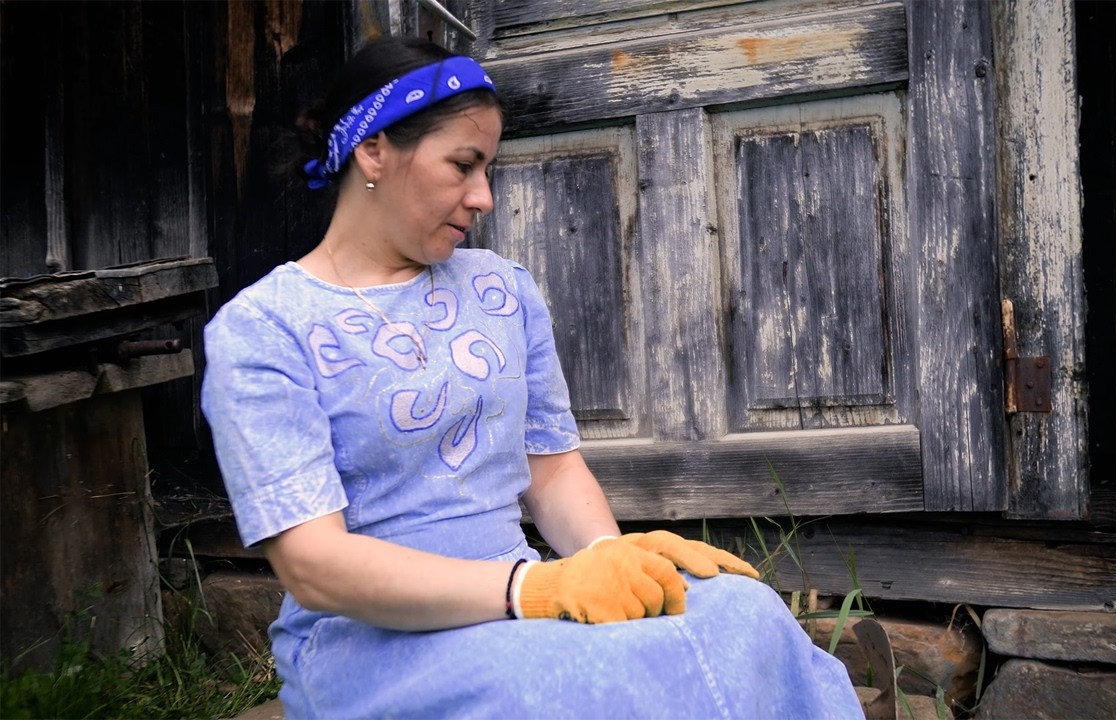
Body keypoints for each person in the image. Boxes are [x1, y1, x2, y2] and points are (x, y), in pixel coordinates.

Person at [201, 36, 864, 719]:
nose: (484, 196)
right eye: (463, 165)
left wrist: (611, 562)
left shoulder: (501, 290)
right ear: (374, 150)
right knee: (558, 687)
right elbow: (314, 567)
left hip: (525, 601)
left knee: (743, 614)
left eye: (487, 168)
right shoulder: (264, 328)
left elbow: (550, 473)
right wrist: (536, 590)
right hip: (371, 639)